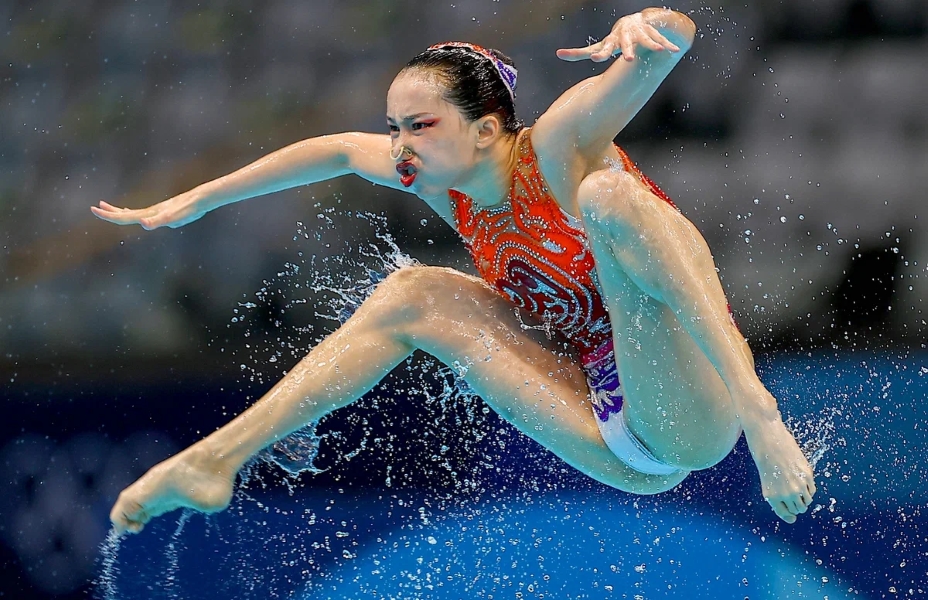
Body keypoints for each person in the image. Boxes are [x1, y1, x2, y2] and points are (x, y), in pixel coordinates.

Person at [92, 7, 815, 533]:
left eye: (420, 125)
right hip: (602, 429)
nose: (400, 147)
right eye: (395, 127)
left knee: (609, 196)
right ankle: (214, 461)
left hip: (693, 414)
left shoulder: (559, 147)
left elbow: (671, 43)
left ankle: (763, 413)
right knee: (413, 293)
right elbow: (339, 151)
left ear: (486, 129)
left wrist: (647, 25)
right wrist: (202, 199)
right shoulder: (444, 183)